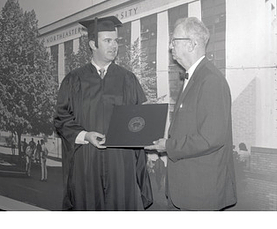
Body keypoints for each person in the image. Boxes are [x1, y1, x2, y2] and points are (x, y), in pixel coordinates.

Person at [54, 16, 153, 210]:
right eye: (107, 41)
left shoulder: (128, 79)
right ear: (93, 44)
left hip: (120, 162)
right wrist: (85, 136)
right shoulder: (74, 80)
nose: (114, 45)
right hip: (86, 161)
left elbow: (140, 119)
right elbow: (61, 118)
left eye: (116, 40)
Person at [146, 17, 237, 210]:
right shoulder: (196, 77)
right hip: (187, 190)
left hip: (200, 193)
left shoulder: (211, 80)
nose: (170, 47)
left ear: (192, 44)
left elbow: (211, 138)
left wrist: (168, 145)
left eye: (174, 41)